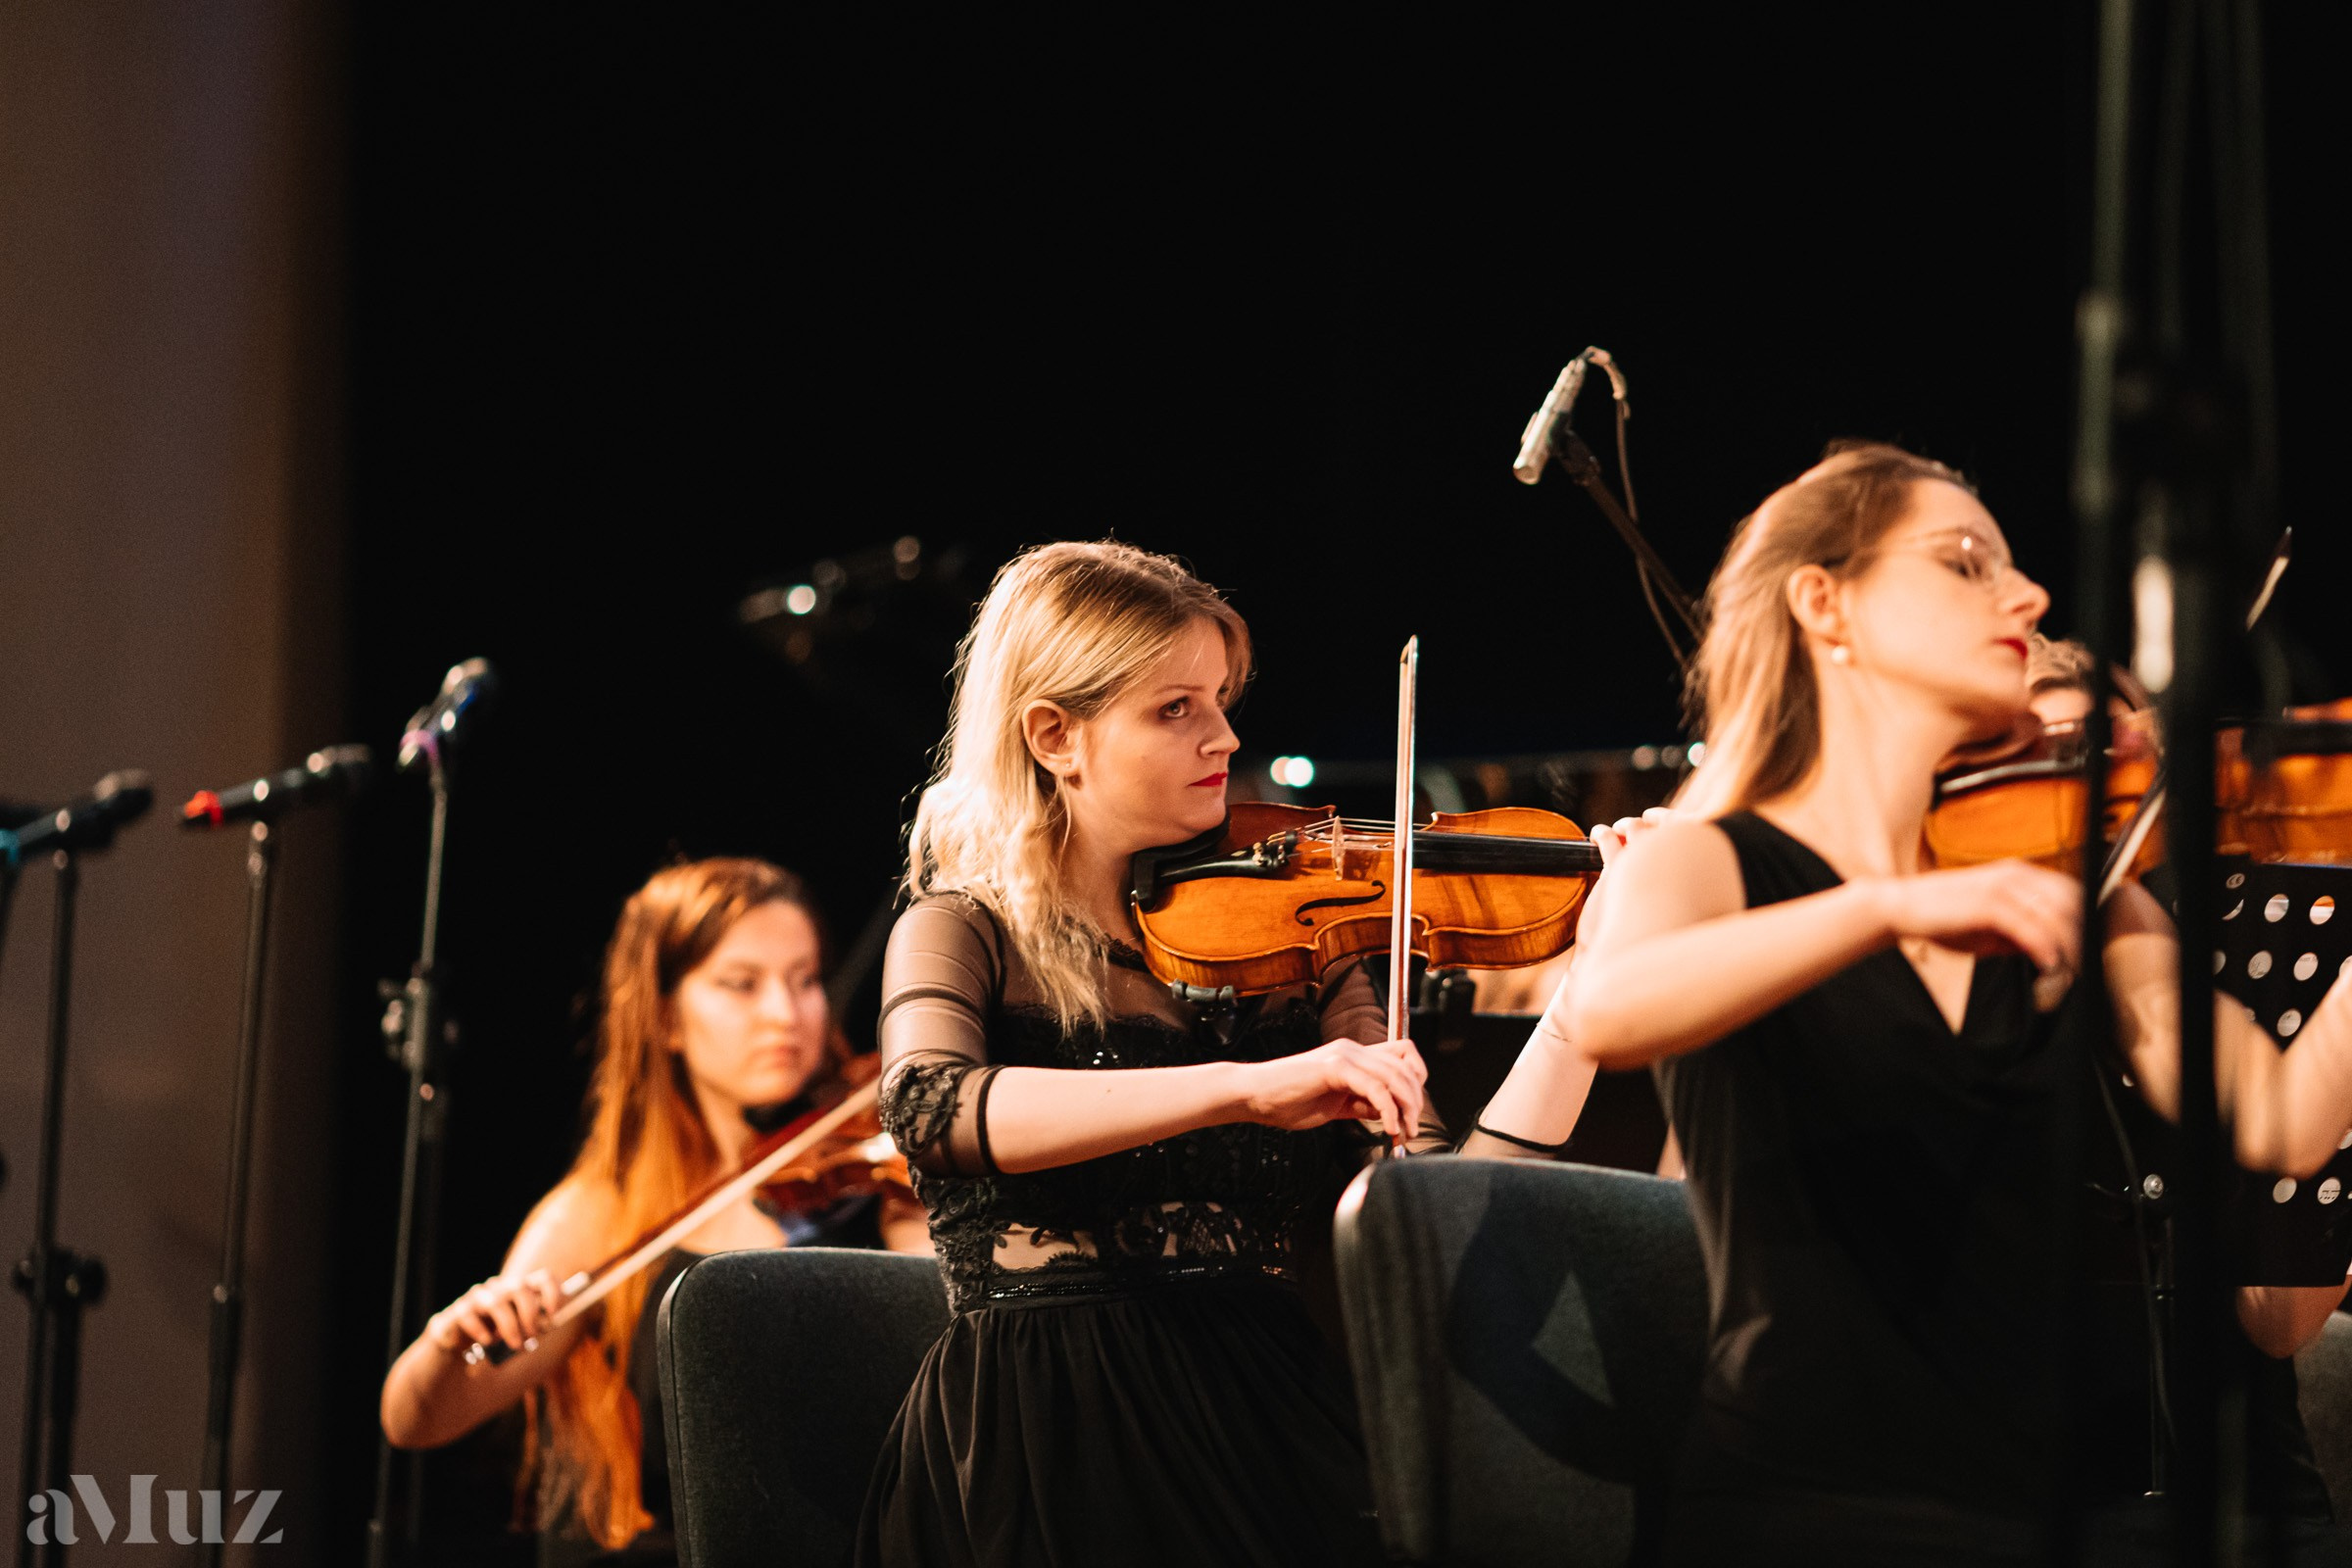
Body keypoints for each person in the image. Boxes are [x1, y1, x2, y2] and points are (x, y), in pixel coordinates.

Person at [1537, 442, 2352, 1563]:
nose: (2027, 595)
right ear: (1824, 603)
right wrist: (1887, 909)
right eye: (1966, 562)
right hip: (1802, 1510)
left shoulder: (2068, 874)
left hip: (2041, 1516)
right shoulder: (1702, 861)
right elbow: (1613, 1008)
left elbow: (2281, 1117)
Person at [857, 540, 1441, 1568]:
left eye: (1219, 698)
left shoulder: (1297, 945)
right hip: (1050, 1427)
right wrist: (1239, 1090)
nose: (1223, 735)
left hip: (1275, 1412)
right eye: (1175, 708)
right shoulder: (963, 931)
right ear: (1055, 735)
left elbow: (1438, 1201)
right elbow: (931, 1108)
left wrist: (1582, 1011)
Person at [379, 858, 929, 1566]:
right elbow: (414, 1420)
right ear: (667, 1017)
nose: (786, 1015)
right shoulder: (598, 1212)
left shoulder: (876, 1175)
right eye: (742, 984)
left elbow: (943, 1366)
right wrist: (448, 1342)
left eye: (806, 980)